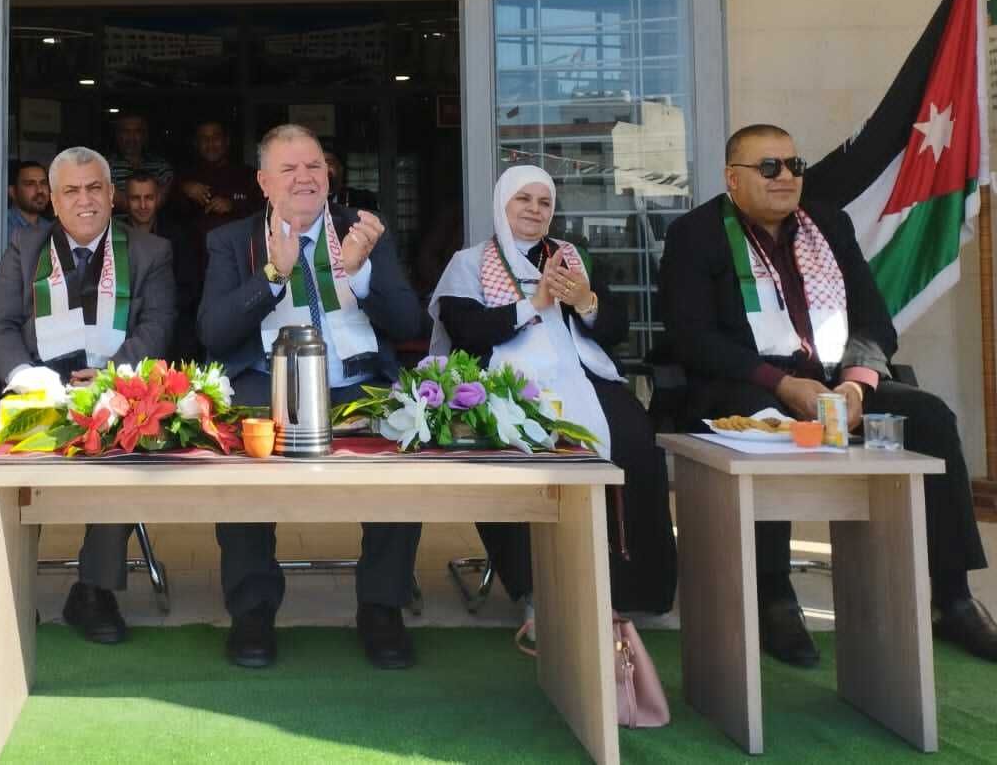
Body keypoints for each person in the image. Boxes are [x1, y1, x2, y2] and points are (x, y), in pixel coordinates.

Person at [661, 123, 997, 666]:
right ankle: (773, 593)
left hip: (838, 378)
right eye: (768, 167)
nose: (785, 177)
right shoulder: (696, 235)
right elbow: (691, 337)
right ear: (732, 178)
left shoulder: (828, 225)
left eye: (794, 165)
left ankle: (952, 596)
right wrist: (782, 384)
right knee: (767, 422)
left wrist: (857, 384)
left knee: (930, 416)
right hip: (747, 382)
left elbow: (873, 320)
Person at [198, 124, 427, 669]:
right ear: (263, 182)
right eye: (289, 168)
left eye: (315, 166)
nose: (305, 177)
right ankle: (253, 610)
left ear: (329, 174)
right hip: (267, 387)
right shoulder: (233, 241)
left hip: (357, 385)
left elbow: (410, 322)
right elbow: (212, 332)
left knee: (404, 460)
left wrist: (361, 273)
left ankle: (381, 607)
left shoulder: (364, 230)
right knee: (240, 467)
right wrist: (273, 274)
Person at [428, 166, 677, 625]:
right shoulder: (470, 262)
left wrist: (585, 302)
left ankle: (632, 589)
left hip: (581, 375)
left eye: (544, 202)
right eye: (523, 199)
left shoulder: (574, 259)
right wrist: (532, 305)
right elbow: (465, 331)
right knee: (512, 454)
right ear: (502, 204)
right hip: (503, 381)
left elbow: (616, 329)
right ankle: (535, 587)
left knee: (635, 444)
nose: (534, 210)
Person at [0, 146, 176, 647]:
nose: (84, 200)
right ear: (53, 199)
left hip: (114, 388)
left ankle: (94, 591)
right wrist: (25, 375)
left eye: (93, 189)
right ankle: (2, 590)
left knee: (128, 437)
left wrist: (111, 378)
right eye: (71, 191)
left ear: (112, 195)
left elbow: (156, 328)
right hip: (37, 387)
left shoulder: (150, 252)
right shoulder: (25, 246)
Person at [124, 170, 203, 361]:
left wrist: (157, 307)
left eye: (149, 198)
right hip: (122, 324)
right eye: (135, 198)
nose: (143, 205)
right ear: (125, 200)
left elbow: (190, 288)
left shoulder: (178, 236)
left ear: (158, 198)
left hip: (171, 325)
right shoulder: (114, 236)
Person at [174, 119, 259, 240]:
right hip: (196, 248)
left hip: (238, 247)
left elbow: (264, 211)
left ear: (227, 141)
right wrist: (183, 189)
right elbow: (169, 214)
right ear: (196, 144)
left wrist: (233, 205)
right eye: (204, 138)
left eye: (216, 137)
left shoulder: (247, 174)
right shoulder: (186, 176)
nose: (210, 143)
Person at [107, 111, 174, 210]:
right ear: (117, 135)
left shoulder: (161, 167)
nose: (131, 137)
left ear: (145, 135)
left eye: (137, 131)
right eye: (125, 131)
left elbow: (158, 203)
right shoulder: (105, 167)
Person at [324, 146, 380, 213]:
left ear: (340, 168)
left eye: (329, 163)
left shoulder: (364, 199)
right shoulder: (313, 200)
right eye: (318, 166)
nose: (324, 169)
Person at [8, 158, 53, 241]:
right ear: (13, 192)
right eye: (30, 184)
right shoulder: (1, 226)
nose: (40, 190)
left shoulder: (50, 229)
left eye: (43, 183)